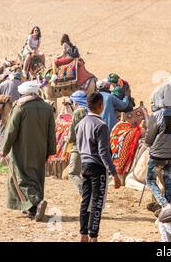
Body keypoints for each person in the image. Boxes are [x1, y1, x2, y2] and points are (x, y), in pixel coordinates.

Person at [0, 80, 56, 221]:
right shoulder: (47, 107)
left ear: (23, 93)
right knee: (36, 177)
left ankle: (37, 202)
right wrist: (51, 150)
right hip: (41, 149)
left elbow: (11, 131)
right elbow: (51, 132)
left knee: (21, 178)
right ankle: (32, 209)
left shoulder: (20, 107)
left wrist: (4, 149)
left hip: (23, 149)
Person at [76, 92, 121, 242]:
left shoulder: (81, 123)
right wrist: (114, 173)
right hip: (98, 168)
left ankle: (83, 234)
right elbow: (103, 152)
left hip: (84, 165)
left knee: (85, 200)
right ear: (101, 106)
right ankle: (93, 236)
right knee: (97, 201)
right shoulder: (101, 125)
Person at [145, 84, 171, 213]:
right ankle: (168, 206)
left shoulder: (157, 115)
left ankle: (164, 204)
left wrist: (148, 144)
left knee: (151, 180)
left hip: (158, 156)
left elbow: (149, 137)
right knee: (168, 181)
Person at [67, 90, 89, 195]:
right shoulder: (91, 110)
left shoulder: (78, 112)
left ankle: (84, 191)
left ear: (76, 102)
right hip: (91, 145)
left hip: (80, 145)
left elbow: (73, 132)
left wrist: (69, 141)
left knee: (73, 173)